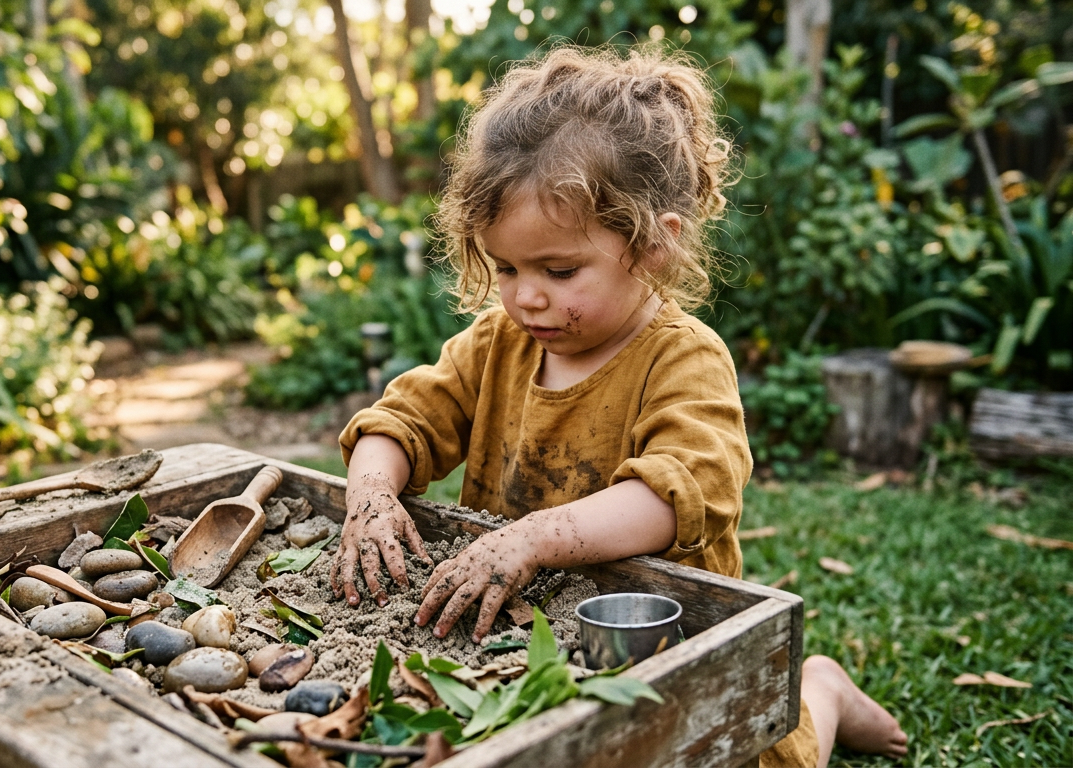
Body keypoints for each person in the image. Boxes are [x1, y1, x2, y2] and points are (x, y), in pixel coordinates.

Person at [328, 46, 908, 767]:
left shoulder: (682, 358)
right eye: (505, 267)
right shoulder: (497, 343)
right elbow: (403, 420)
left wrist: (534, 539)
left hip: (663, 631)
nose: (526, 295)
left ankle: (822, 690)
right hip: (527, 625)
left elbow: (679, 495)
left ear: (653, 247)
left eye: (559, 270)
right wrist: (372, 494)